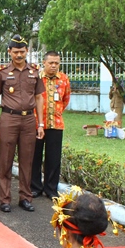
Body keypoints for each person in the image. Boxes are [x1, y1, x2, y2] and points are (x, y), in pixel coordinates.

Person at [0, 35, 45, 213]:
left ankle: (25, 197)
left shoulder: (35, 71)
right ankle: (5, 199)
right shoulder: (2, 72)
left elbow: (39, 98)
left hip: (29, 119)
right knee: (5, 160)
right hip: (9, 119)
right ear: (9, 52)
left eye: (22, 51)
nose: (19, 55)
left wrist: (41, 124)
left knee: (27, 161)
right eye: (16, 52)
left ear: (26, 51)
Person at [31, 51, 71, 200]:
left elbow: (65, 100)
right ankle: (35, 187)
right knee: (35, 156)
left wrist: (57, 111)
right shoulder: (36, 78)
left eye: (57, 63)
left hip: (56, 124)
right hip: (36, 124)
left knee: (53, 158)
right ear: (44, 63)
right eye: (51, 63)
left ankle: (51, 188)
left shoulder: (64, 80)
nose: (54, 66)